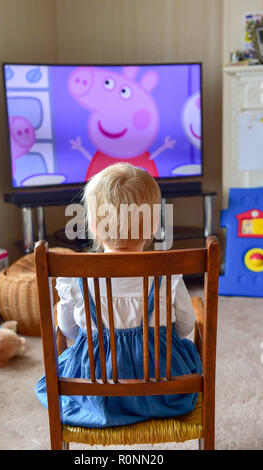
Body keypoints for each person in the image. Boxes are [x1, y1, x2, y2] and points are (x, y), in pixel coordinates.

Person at [35, 163, 202, 427]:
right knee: (189, 350)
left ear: (93, 225)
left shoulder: (74, 279)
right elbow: (185, 326)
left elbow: (68, 330)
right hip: (162, 391)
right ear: (153, 225)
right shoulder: (167, 276)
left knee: (64, 363)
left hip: (94, 391)